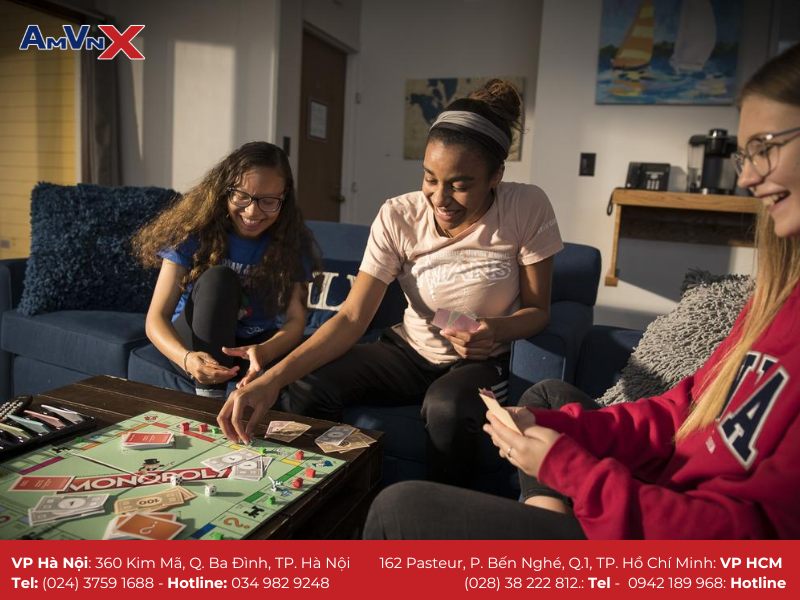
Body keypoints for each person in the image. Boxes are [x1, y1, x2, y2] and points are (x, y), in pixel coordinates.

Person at [363, 42, 800, 539]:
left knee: (398, 508)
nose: (746, 177)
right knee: (547, 399)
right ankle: (547, 523)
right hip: (646, 494)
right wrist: (555, 431)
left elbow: (750, 542)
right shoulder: (772, 304)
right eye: (746, 154)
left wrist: (567, 467)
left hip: (668, 541)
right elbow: (681, 411)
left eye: (765, 147)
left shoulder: (524, 208)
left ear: (495, 178)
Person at [217, 80, 564, 486]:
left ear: (496, 176)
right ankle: (327, 495)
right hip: (410, 351)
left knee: (447, 409)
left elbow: (538, 312)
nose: (440, 198)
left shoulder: (526, 206)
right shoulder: (398, 215)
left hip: (480, 363)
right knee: (310, 386)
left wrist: (495, 329)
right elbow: (351, 318)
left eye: (460, 185)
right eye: (430, 178)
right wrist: (271, 380)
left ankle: (438, 514)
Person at [133, 142, 319, 398]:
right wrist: (187, 359)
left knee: (311, 370)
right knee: (219, 278)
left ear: (284, 200)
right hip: (195, 341)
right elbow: (156, 318)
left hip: (253, 345)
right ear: (225, 190)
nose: (252, 212)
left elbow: (295, 321)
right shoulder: (194, 232)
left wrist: (266, 350)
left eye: (268, 201)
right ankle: (209, 398)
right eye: (242, 196)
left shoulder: (293, 244)